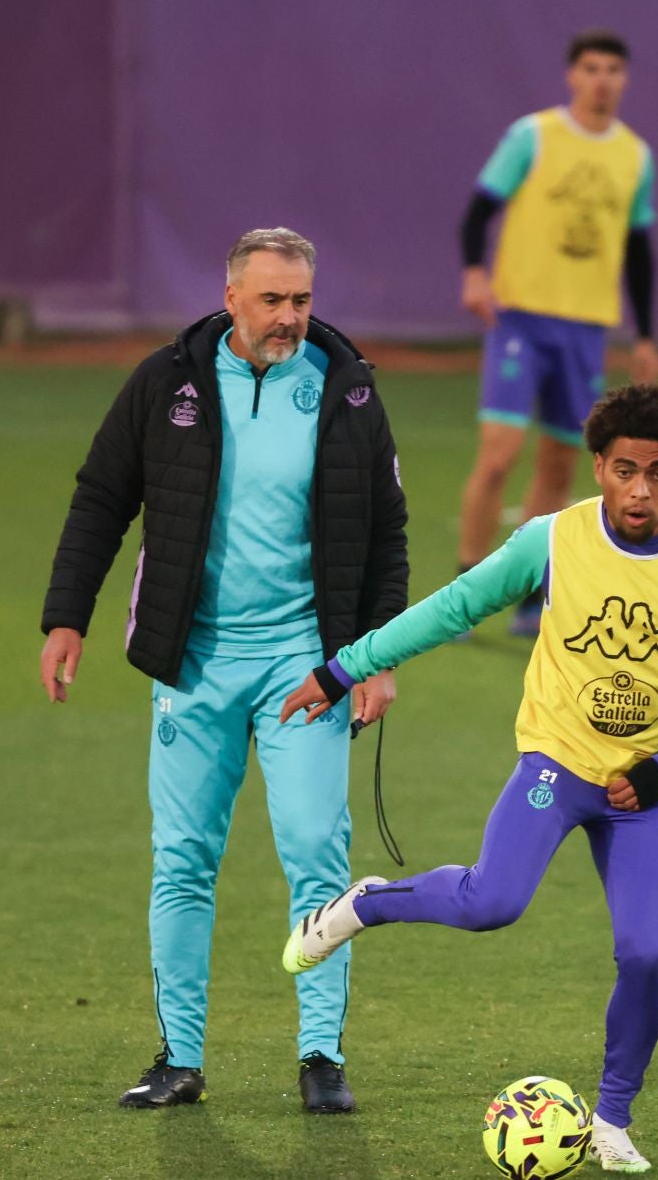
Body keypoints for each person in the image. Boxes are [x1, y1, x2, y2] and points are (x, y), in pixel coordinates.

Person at [278, 384, 658, 1172]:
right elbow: (453, 607)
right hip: (557, 760)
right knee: (491, 903)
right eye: (623, 470)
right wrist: (345, 669)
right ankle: (367, 903)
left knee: (646, 954)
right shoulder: (552, 540)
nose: (640, 490)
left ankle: (612, 1118)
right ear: (598, 466)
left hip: (647, 789)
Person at [39, 228, 407, 1114]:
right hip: (194, 660)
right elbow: (100, 496)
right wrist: (66, 615)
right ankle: (179, 1057)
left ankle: (321, 1054)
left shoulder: (346, 389)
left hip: (305, 669)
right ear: (232, 297)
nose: (291, 318)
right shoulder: (167, 384)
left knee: (317, 851)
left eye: (303, 300)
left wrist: (376, 656)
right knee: (183, 859)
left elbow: (386, 529)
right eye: (274, 300)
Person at [456, 30, 658, 637]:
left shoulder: (635, 157)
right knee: (498, 455)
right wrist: (474, 274)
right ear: (573, 76)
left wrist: (644, 335)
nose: (602, 79)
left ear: (625, 80)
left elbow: (640, 250)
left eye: (614, 70)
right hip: (520, 319)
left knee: (560, 459)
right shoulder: (533, 136)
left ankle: (532, 591)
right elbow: (478, 210)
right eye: (591, 68)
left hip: (585, 329)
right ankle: (468, 582)